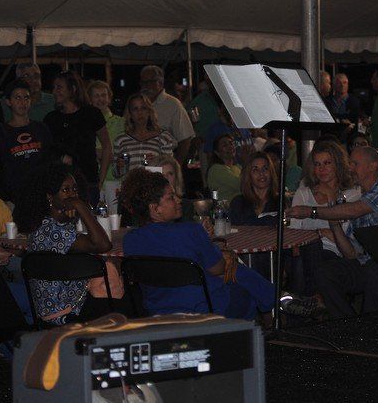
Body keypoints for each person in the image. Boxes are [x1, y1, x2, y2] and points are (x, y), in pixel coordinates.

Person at [121, 168, 274, 320]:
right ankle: (273, 307)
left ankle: (273, 301)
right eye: (171, 197)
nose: (179, 200)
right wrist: (220, 253)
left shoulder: (131, 241)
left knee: (234, 272)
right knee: (241, 284)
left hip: (158, 310)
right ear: (155, 209)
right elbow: (218, 268)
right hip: (203, 309)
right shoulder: (190, 231)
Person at [286, 146, 378, 319]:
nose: (350, 168)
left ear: (373, 166)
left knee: (374, 269)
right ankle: (349, 322)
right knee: (325, 272)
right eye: (350, 164)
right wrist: (334, 223)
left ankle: (370, 327)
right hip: (369, 264)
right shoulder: (359, 200)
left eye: (355, 163)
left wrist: (311, 211)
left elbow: (356, 210)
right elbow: (351, 254)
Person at [14, 162, 117, 325]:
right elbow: (103, 245)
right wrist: (80, 206)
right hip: (67, 313)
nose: (72, 195)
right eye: (65, 190)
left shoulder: (48, 224)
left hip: (64, 308)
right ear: (50, 196)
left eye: (75, 189)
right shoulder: (53, 230)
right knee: (127, 304)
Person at [44, 71, 111, 205]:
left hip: (88, 181)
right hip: (62, 184)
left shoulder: (91, 113)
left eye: (59, 87)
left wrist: (100, 180)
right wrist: (60, 158)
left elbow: (107, 146)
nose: (55, 91)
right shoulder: (51, 119)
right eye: (54, 88)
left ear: (73, 89)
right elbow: (46, 150)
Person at [289, 141, 361, 260]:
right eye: (317, 164)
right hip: (307, 251)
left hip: (337, 254)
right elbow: (293, 232)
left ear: (338, 164)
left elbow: (346, 237)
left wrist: (331, 196)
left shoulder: (352, 194)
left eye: (327, 163)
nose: (322, 169)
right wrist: (321, 232)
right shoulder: (303, 193)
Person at [1, 79, 52, 199]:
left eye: (26, 97)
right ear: (8, 101)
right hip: (16, 195)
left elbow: (49, 159)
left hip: (42, 192)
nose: (22, 102)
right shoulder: (2, 132)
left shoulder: (41, 128)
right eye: (17, 98)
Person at [139, 65, 195, 164]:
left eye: (150, 82)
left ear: (160, 82)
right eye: (143, 82)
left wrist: (175, 166)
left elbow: (185, 139)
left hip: (163, 162)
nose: (146, 86)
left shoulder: (172, 104)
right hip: (140, 162)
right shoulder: (138, 103)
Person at [113, 92, 177, 176]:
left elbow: (170, 170)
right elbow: (116, 173)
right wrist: (119, 166)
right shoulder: (120, 139)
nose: (140, 113)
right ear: (130, 114)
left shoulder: (163, 138)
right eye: (135, 109)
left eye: (143, 108)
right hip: (130, 187)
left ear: (149, 111)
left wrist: (153, 165)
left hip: (154, 187)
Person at [87, 80, 126, 206]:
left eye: (103, 95)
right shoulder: (85, 123)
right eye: (96, 96)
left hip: (114, 180)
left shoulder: (121, 123)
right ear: (90, 99)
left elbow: (122, 152)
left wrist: (103, 153)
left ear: (109, 98)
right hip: (91, 180)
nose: (100, 99)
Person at [206, 134, 242, 201]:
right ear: (217, 152)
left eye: (231, 143)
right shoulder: (215, 169)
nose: (230, 147)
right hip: (227, 208)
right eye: (225, 145)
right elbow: (241, 185)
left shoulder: (237, 167)